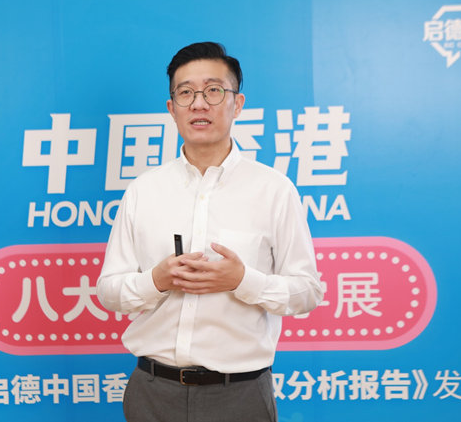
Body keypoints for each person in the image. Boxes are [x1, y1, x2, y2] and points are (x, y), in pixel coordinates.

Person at [97, 42, 323, 422]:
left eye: (213, 90)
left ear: (237, 103)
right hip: (153, 392)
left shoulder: (274, 190)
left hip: (240, 396)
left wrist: (242, 280)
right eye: (185, 93)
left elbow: (307, 292)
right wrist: (157, 280)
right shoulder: (143, 191)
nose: (199, 104)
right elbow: (108, 290)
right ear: (172, 108)